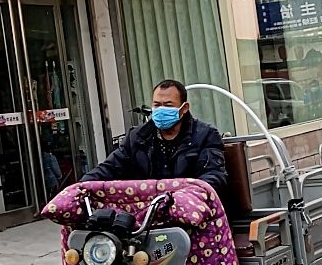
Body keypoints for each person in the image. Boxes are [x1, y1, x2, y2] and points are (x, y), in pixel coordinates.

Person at [79, 78, 228, 200]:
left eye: (168, 105)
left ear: (184, 108)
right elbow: (111, 167)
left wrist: (189, 197)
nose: (161, 109)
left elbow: (213, 175)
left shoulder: (205, 135)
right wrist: (79, 187)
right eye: (157, 105)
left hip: (189, 209)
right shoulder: (137, 137)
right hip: (145, 211)